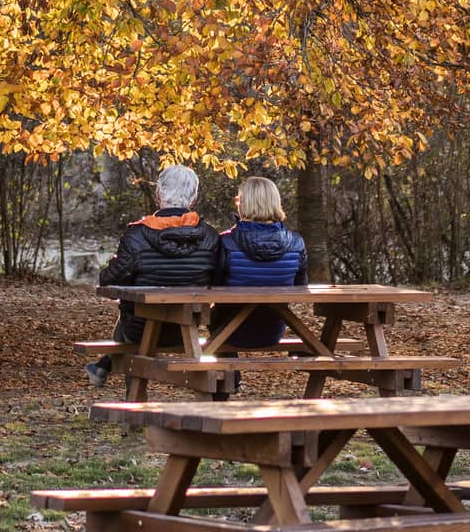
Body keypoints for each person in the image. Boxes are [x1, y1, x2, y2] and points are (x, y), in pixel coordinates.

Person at [85, 165, 220, 386]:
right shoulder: (211, 237)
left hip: (140, 329)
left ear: (158, 194)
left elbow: (109, 281)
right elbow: (219, 280)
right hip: (187, 330)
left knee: (129, 316)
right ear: (194, 198)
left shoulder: (136, 235)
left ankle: (120, 385)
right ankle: (102, 367)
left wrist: (114, 262)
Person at [212, 175, 308, 352]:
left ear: (243, 203)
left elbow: (213, 287)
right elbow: (300, 288)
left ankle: (230, 379)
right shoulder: (296, 243)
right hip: (272, 330)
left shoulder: (225, 242)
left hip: (228, 332)